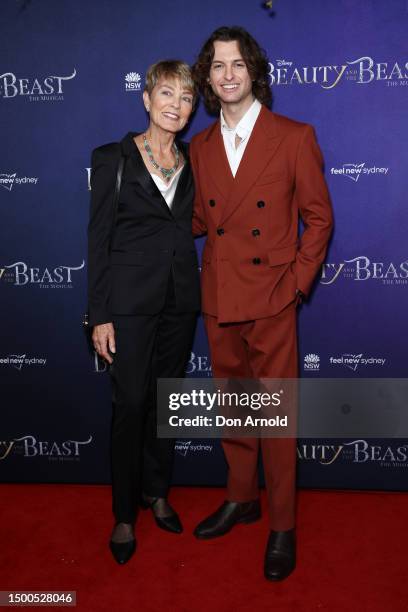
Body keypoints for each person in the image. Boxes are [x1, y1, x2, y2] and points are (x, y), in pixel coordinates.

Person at [190, 27, 333, 580]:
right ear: (207, 77)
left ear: (254, 72)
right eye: (217, 66)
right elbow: (203, 220)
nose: (228, 74)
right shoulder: (197, 148)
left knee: (275, 416)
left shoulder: (294, 136)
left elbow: (318, 219)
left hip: (272, 299)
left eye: (237, 64)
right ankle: (241, 498)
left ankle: (281, 524)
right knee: (233, 408)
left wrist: (296, 284)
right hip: (219, 294)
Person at [87, 60, 200, 564]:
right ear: (147, 99)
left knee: (165, 402)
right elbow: (99, 240)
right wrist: (99, 314)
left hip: (180, 302)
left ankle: (157, 492)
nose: (177, 105)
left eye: (187, 98)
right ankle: (123, 515)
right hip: (128, 307)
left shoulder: (195, 160)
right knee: (130, 405)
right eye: (168, 94)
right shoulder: (112, 158)